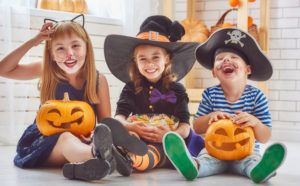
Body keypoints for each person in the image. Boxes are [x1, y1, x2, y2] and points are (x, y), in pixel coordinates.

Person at [0, 14, 147, 181]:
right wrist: (33, 41)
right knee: (66, 138)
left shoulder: (98, 80)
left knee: (98, 139)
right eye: (60, 48)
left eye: (75, 46)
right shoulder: (47, 70)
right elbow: (3, 69)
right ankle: (102, 155)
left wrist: (94, 135)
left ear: (87, 48)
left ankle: (95, 162)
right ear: (52, 55)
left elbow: (105, 124)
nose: (69, 54)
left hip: (83, 141)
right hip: (45, 142)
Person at [163, 28, 286, 183]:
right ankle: (192, 166)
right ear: (214, 72)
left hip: (246, 153)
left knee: (251, 162)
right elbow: (198, 127)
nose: (226, 60)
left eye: (234, 57)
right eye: (220, 58)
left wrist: (255, 123)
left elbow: (265, 136)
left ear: (248, 69)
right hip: (215, 151)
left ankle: (260, 170)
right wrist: (210, 117)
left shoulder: (257, 97)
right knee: (206, 159)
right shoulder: (210, 95)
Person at [104, 15, 205, 173]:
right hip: (138, 132)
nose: (149, 63)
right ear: (135, 62)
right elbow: (119, 117)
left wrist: (170, 135)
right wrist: (131, 126)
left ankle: (136, 159)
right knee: (128, 134)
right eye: (142, 59)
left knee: (158, 149)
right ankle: (118, 152)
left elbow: (185, 126)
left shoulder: (177, 90)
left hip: (166, 138)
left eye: (155, 57)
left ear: (166, 59)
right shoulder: (131, 87)